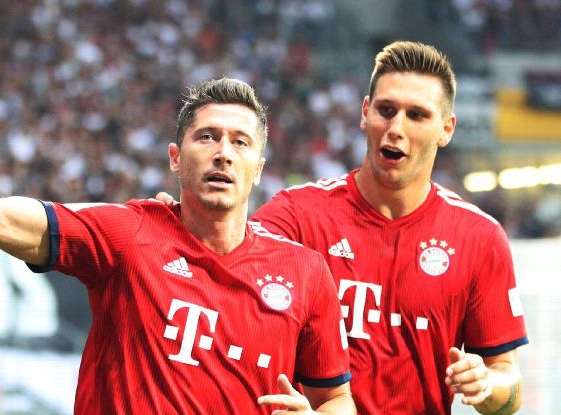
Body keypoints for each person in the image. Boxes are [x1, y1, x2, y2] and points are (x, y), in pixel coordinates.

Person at [0, 5, 355, 414]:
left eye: (240, 142)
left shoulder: (305, 273)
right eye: (208, 137)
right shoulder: (127, 235)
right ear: (176, 159)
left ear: (260, 167)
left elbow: (335, 397)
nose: (224, 151)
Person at [154, 41, 529, 414]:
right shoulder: (298, 215)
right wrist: (181, 222)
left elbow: (509, 389)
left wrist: (486, 383)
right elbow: (221, 261)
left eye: (417, 115)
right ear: (365, 114)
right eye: (386, 110)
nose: (396, 128)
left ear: (446, 129)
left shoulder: (479, 238)